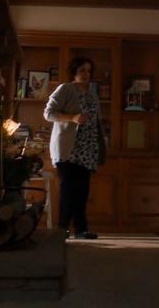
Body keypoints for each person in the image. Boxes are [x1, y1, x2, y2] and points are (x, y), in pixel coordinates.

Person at [43, 56, 107, 239]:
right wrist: (71, 118)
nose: (86, 74)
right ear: (74, 72)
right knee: (68, 189)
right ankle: (61, 229)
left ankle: (80, 229)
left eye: (88, 70)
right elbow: (48, 113)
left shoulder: (92, 94)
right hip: (68, 149)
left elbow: (96, 121)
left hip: (87, 150)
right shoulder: (65, 89)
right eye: (82, 70)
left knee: (82, 191)